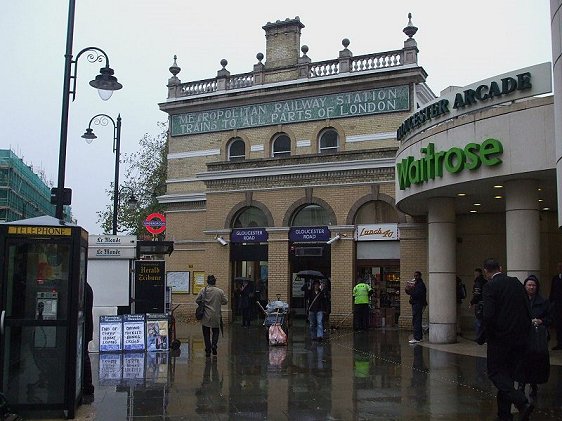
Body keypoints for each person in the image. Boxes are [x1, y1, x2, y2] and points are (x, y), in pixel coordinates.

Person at [480, 258, 534, 420]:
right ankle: (504, 414)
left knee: (496, 374)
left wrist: (484, 335)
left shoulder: (490, 286)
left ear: (485, 271)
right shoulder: (516, 283)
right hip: (518, 339)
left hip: (499, 339)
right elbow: (527, 309)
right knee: (507, 377)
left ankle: (521, 401)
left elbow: (488, 315)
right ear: (501, 268)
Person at [515, 275, 551, 401]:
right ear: (525, 286)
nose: (531, 287)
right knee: (521, 360)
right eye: (529, 285)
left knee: (535, 361)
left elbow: (550, 319)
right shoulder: (519, 301)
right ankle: (521, 384)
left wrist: (540, 321)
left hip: (537, 337)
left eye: (533, 285)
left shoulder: (543, 302)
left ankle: (534, 384)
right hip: (523, 336)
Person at [196, 275, 228, 358]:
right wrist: (218, 302)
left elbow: (197, 300)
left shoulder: (203, 290)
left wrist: (203, 303)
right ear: (215, 282)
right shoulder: (220, 291)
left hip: (206, 315)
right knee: (216, 331)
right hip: (216, 315)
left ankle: (208, 349)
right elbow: (225, 301)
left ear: (207, 282)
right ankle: (214, 345)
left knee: (206, 333)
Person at [405, 271, 427, 344]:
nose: (415, 277)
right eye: (414, 276)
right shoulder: (416, 284)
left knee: (416, 320)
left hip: (418, 304)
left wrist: (411, 291)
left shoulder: (420, 285)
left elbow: (417, 294)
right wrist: (408, 289)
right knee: (417, 320)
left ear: (420, 276)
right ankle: (419, 337)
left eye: (417, 276)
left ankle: (417, 338)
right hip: (416, 303)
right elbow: (410, 293)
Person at [82, 281, 94, 396]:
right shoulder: (87, 287)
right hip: (86, 327)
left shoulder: (83, 288)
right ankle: (87, 385)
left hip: (83, 328)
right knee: (85, 354)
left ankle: (87, 385)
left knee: (84, 356)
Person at [469, 268, 487, 339]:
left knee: (478, 321)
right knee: (482, 321)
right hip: (484, 302)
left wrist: (472, 302)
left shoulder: (478, 282)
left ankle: (479, 337)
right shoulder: (485, 281)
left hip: (479, 303)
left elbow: (477, 294)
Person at [549, 262, 562, 350]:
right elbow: (552, 292)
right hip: (558, 306)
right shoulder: (555, 278)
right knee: (558, 325)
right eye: (559, 267)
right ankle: (560, 343)